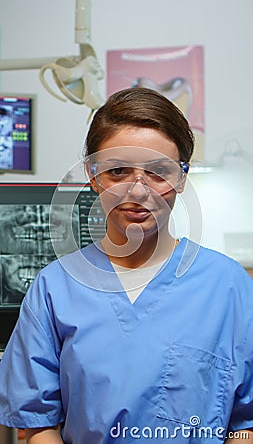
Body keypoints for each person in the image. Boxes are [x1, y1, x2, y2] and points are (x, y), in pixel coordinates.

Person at [0, 87, 253, 444]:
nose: (137, 191)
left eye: (158, 171)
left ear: (182, 178)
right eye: (118, 171)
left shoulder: (230, 286)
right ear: (93, 175)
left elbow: (246, 424)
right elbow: (37, 422)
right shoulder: (54, 288)